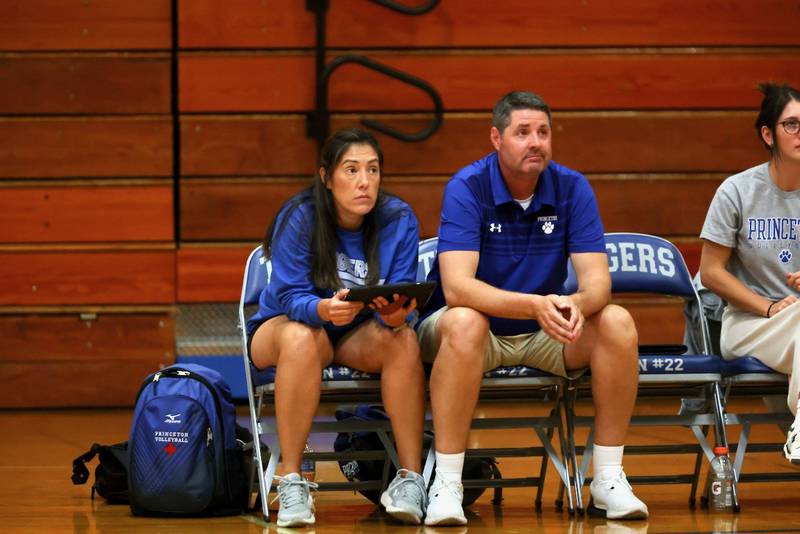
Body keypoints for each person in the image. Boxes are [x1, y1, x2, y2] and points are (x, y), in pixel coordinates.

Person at [417, 91, 649, 525]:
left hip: (545, 332)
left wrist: (576, 303)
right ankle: (447, 483)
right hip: (469, 333)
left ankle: (609, 476)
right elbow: (457, 288)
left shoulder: (572, 187)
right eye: (522, 133)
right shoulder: (468, 186)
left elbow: (599, 283)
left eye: (542, 132)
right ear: (496, 138)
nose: (535, 142)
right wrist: (535, 305)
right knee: (466, 321)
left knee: (616, 321)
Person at [246, 128, 427, 527]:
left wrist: (397, 315)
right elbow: (291, 297)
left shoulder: (398, 218)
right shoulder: (300, 215)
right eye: (351, 170)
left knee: (404, 340)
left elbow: (398, 295)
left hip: (352, 332)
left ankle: (411, 479)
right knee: (300, 336)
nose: (364, 182)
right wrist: (323, 311)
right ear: (326, 177)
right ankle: (291, 479)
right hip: (282, 327)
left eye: (373, 170)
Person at [699, 82, 800, 464]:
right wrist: (770, 306)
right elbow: (711, 273)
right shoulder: (737, 191)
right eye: (791, 124)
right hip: (747, 322)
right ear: (767, 134)